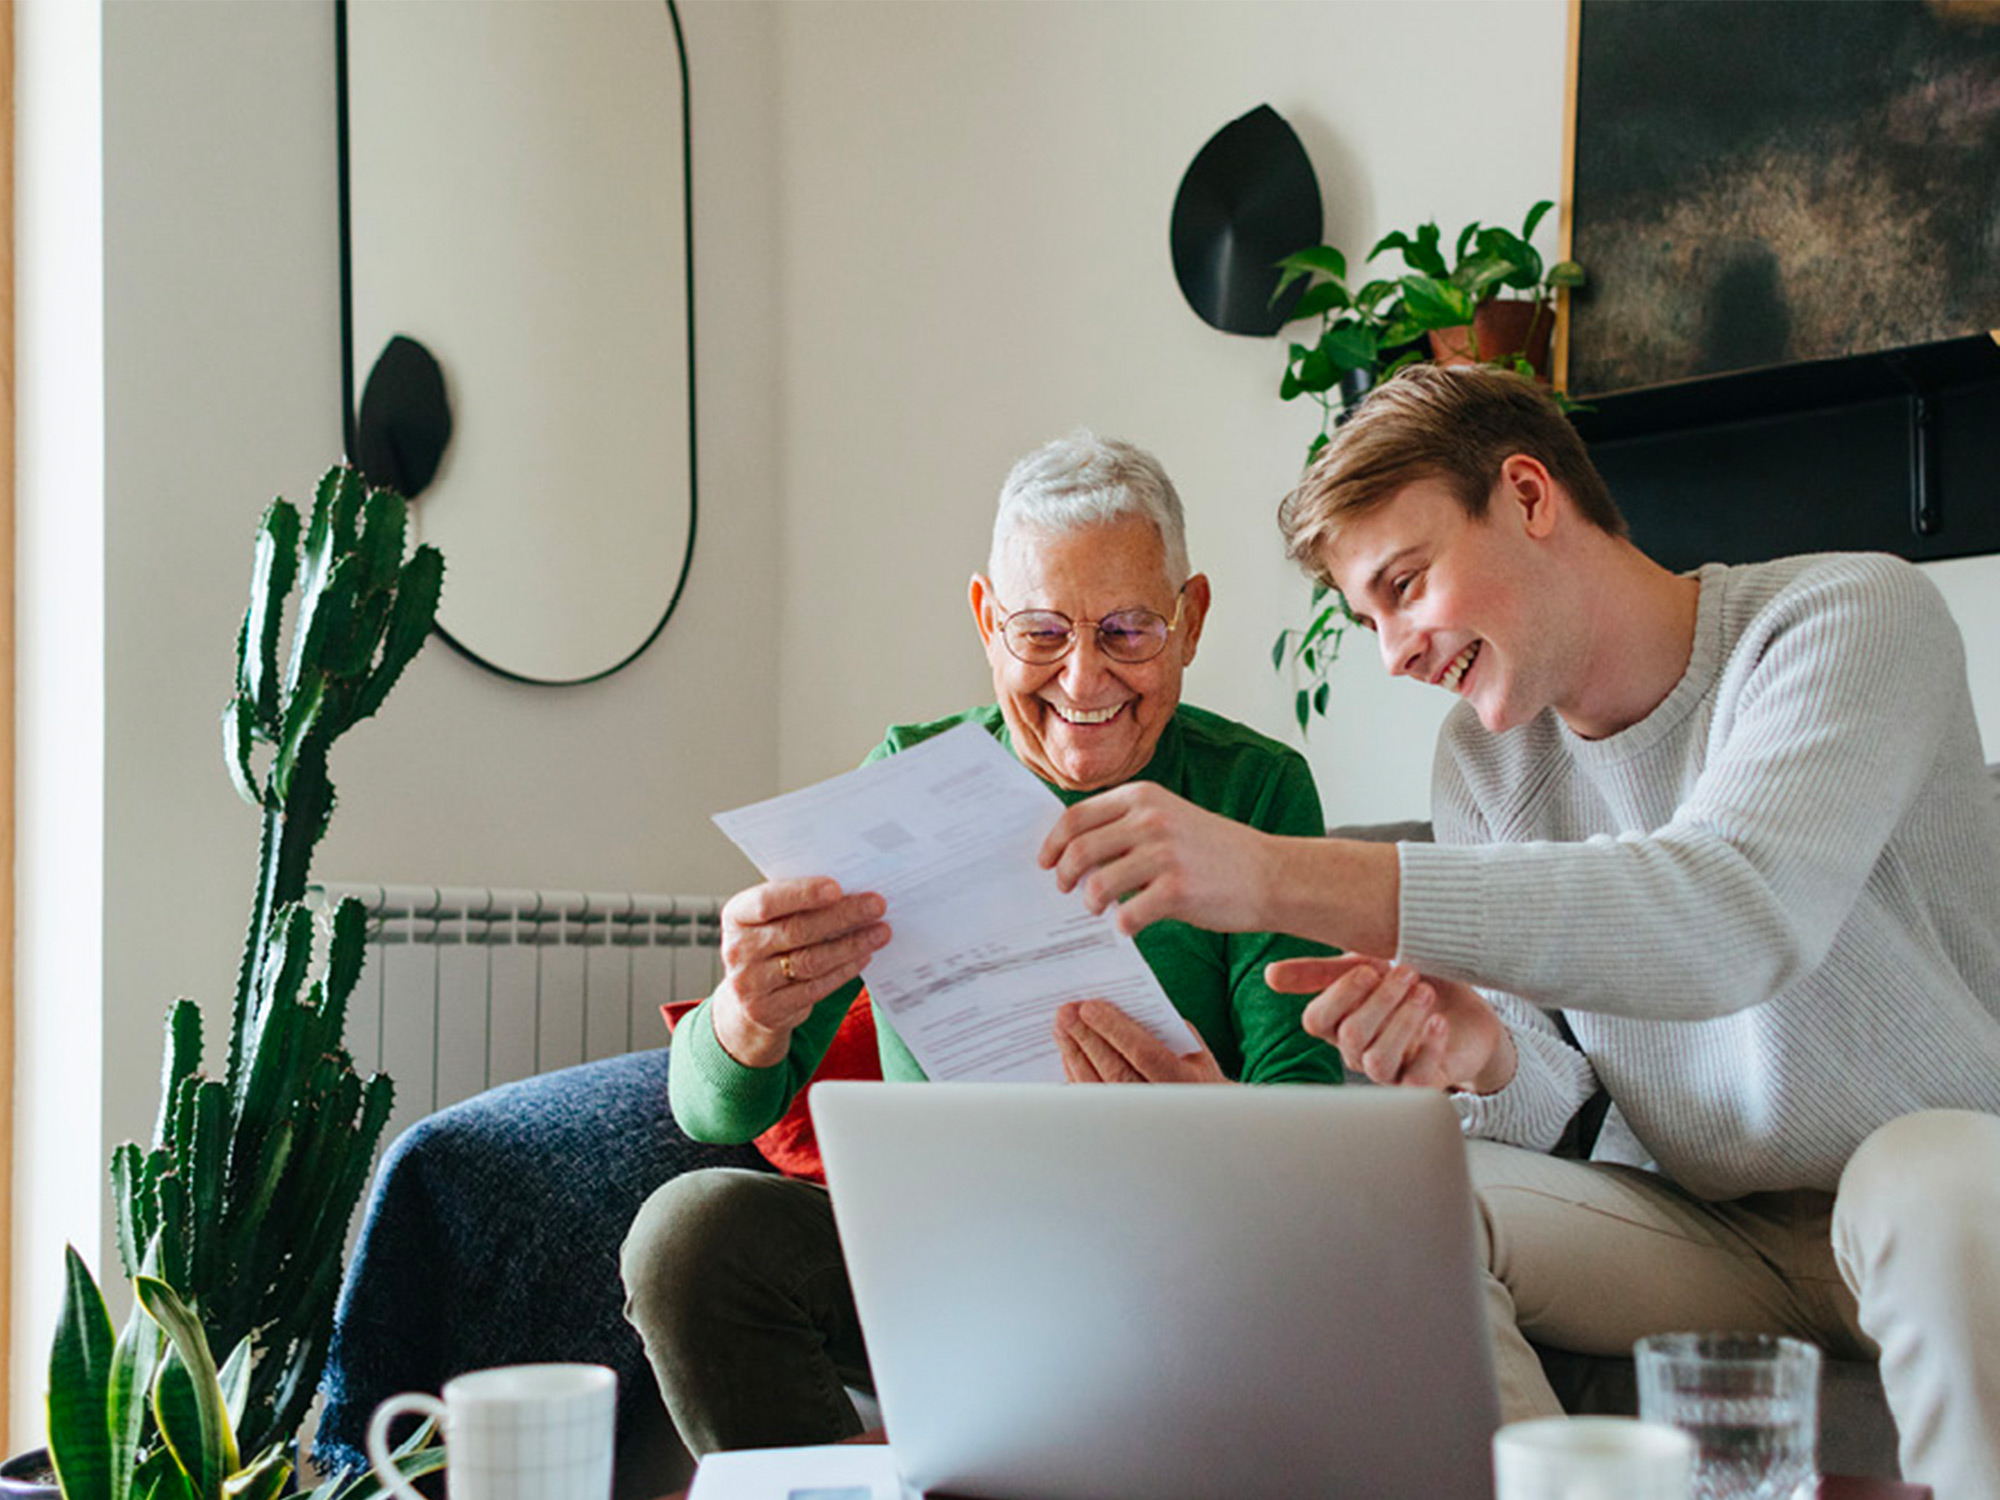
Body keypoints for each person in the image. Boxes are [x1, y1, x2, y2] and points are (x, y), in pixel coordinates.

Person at [1040, 365, 2000, 1497]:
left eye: (1403, 583)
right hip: (1706, 1228)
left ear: (1529, 496)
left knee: (1922, 1181)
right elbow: (1572, 1111)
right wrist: (1480, 1054)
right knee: (1389, 1214)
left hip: (1941, 1171)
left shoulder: (1840, 619)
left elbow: (1729, 915)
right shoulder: (1488, 758)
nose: (1393, 650)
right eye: (1366, 616)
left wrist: (1272, 874)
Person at [621, 431, 1343, 1457]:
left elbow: (1308, 1120)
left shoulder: (1254, 791)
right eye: (1040, 632)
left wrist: (1203, 1125)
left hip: (1165, 1265)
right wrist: (747, 1015)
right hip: (941, 1257)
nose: (1083, 679)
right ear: (983, 620)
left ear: (1191, 621)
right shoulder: (905, 779)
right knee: (690, 1237)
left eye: (1128, 630)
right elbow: (713, 1110)